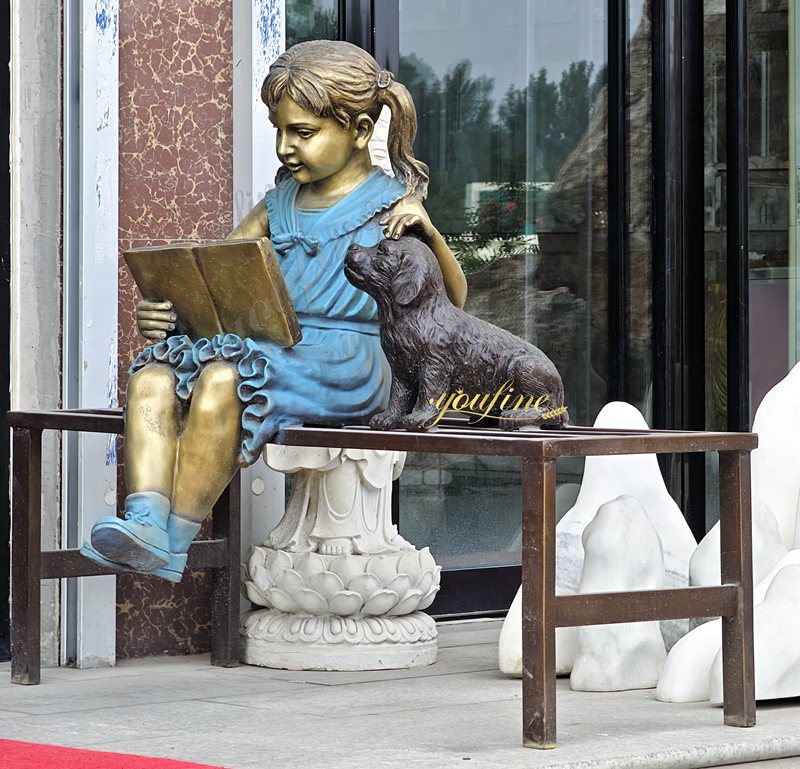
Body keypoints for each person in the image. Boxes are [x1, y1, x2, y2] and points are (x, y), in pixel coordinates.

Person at [80, 40, 467, 581]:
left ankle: (174, 542)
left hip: (351, 357)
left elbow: (450, 304)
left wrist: (428, 231)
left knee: (222, 380)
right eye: (280, 130)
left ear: (359, 131)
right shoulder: (277, 204)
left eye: (303, 133)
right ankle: (144, 520)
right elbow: (218, 278)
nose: (286, 147)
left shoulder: (391, 205)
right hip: (276, 346)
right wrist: (169, 314)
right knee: (152, 373)